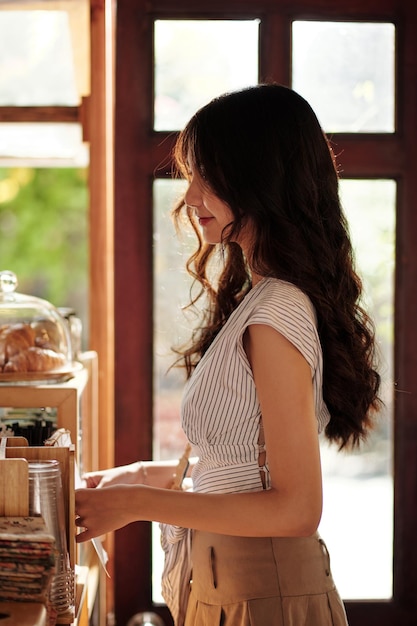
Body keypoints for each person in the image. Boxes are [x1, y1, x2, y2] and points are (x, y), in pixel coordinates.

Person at [75, 83, 381, 626]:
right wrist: (142, 476)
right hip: (237, 587)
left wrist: (137, 506)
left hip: (262, 594)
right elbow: (242, 468)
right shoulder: (260, 299)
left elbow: (296, 508)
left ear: (259, 179)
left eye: (206, 176)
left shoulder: (275, 311)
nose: (190, 197)